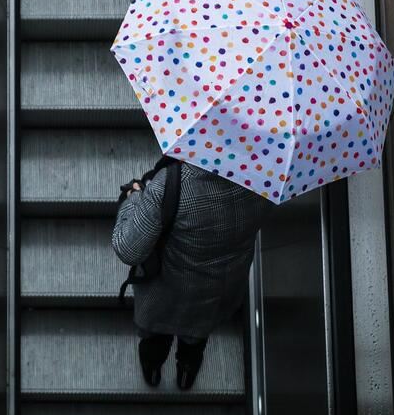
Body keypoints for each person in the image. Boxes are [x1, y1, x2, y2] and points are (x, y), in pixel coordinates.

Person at [111, 158, 276, 390]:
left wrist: (134, 196)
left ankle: (153, 367)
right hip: (223, 285)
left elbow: (128, 248)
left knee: (156, 335)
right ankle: (186, 372)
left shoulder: (173, 182)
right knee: (196, 336)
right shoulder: (271, 176)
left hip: (169, 286)